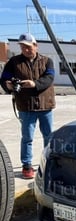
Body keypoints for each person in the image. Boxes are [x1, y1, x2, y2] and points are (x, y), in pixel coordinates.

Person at [0, 33, 56, 179]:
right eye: (22, 47)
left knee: (49, 136)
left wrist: (35, 84)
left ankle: (49, 163)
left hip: (45, 106)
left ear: (35, 46)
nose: (25, 50)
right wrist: (7, 85)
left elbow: (49, 78)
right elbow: (4, 78)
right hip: (26, 107)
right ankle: (27, 166)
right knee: (27, 138)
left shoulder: (47, 61)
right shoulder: (14, 62)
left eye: (28, 47)